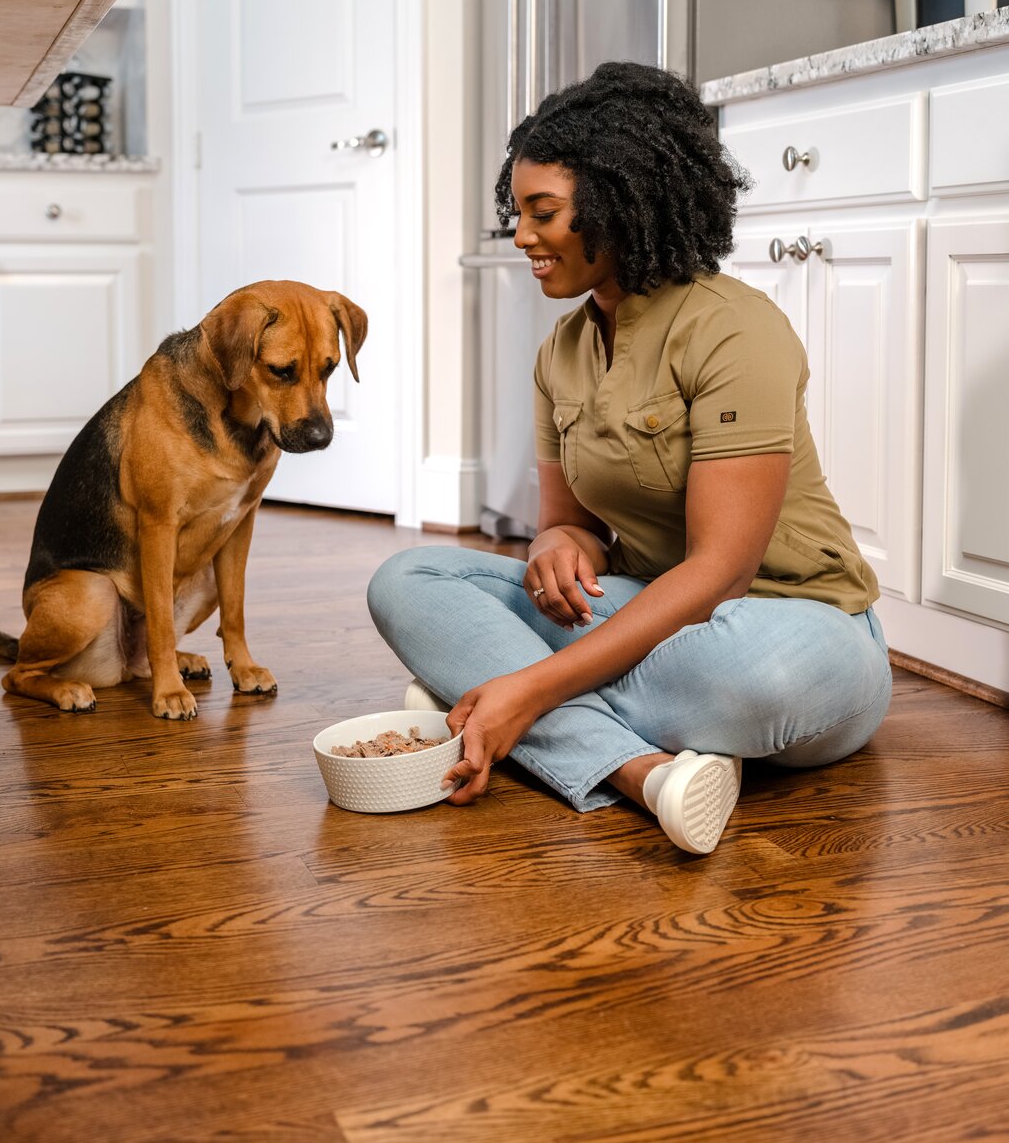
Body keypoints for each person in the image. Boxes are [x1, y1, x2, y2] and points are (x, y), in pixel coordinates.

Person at [367, 61, 892, 855]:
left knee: (752, 680)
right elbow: (568, 528)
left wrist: (530, 681)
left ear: (619, 205)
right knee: (406, 581)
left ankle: (491, 698)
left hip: (799, 631)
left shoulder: (733, 329)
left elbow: (721, 574)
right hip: (647, 612)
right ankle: (639, 772)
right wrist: (556, 547)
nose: (520, 235)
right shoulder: (562, 352)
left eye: (542, 212)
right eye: (517, 212)